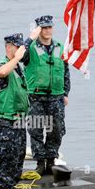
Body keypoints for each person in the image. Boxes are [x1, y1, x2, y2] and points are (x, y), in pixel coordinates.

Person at [23, 15, 70, 175]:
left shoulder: (60, 47)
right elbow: (20, 55)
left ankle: (51, 159)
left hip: (56, 96)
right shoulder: (30, 49)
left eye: (49, 27)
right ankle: (40, 162)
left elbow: (65, 71)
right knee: (36, 129)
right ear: (38, 29)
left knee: (56, 129)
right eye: (44, 28)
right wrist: (31, 38)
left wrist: (66, 92)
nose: (47, 30)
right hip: (36, 96)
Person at [0, 33, 32, 189]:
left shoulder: (17, 68)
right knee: (8, 153)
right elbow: (1, 72)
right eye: (17, 47)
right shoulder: (2, 65)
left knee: (19, 152)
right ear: (8, 47)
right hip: (6, 119)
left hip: (20, 118)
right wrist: (16, 59)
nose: (20, 50)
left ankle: (13, 183)